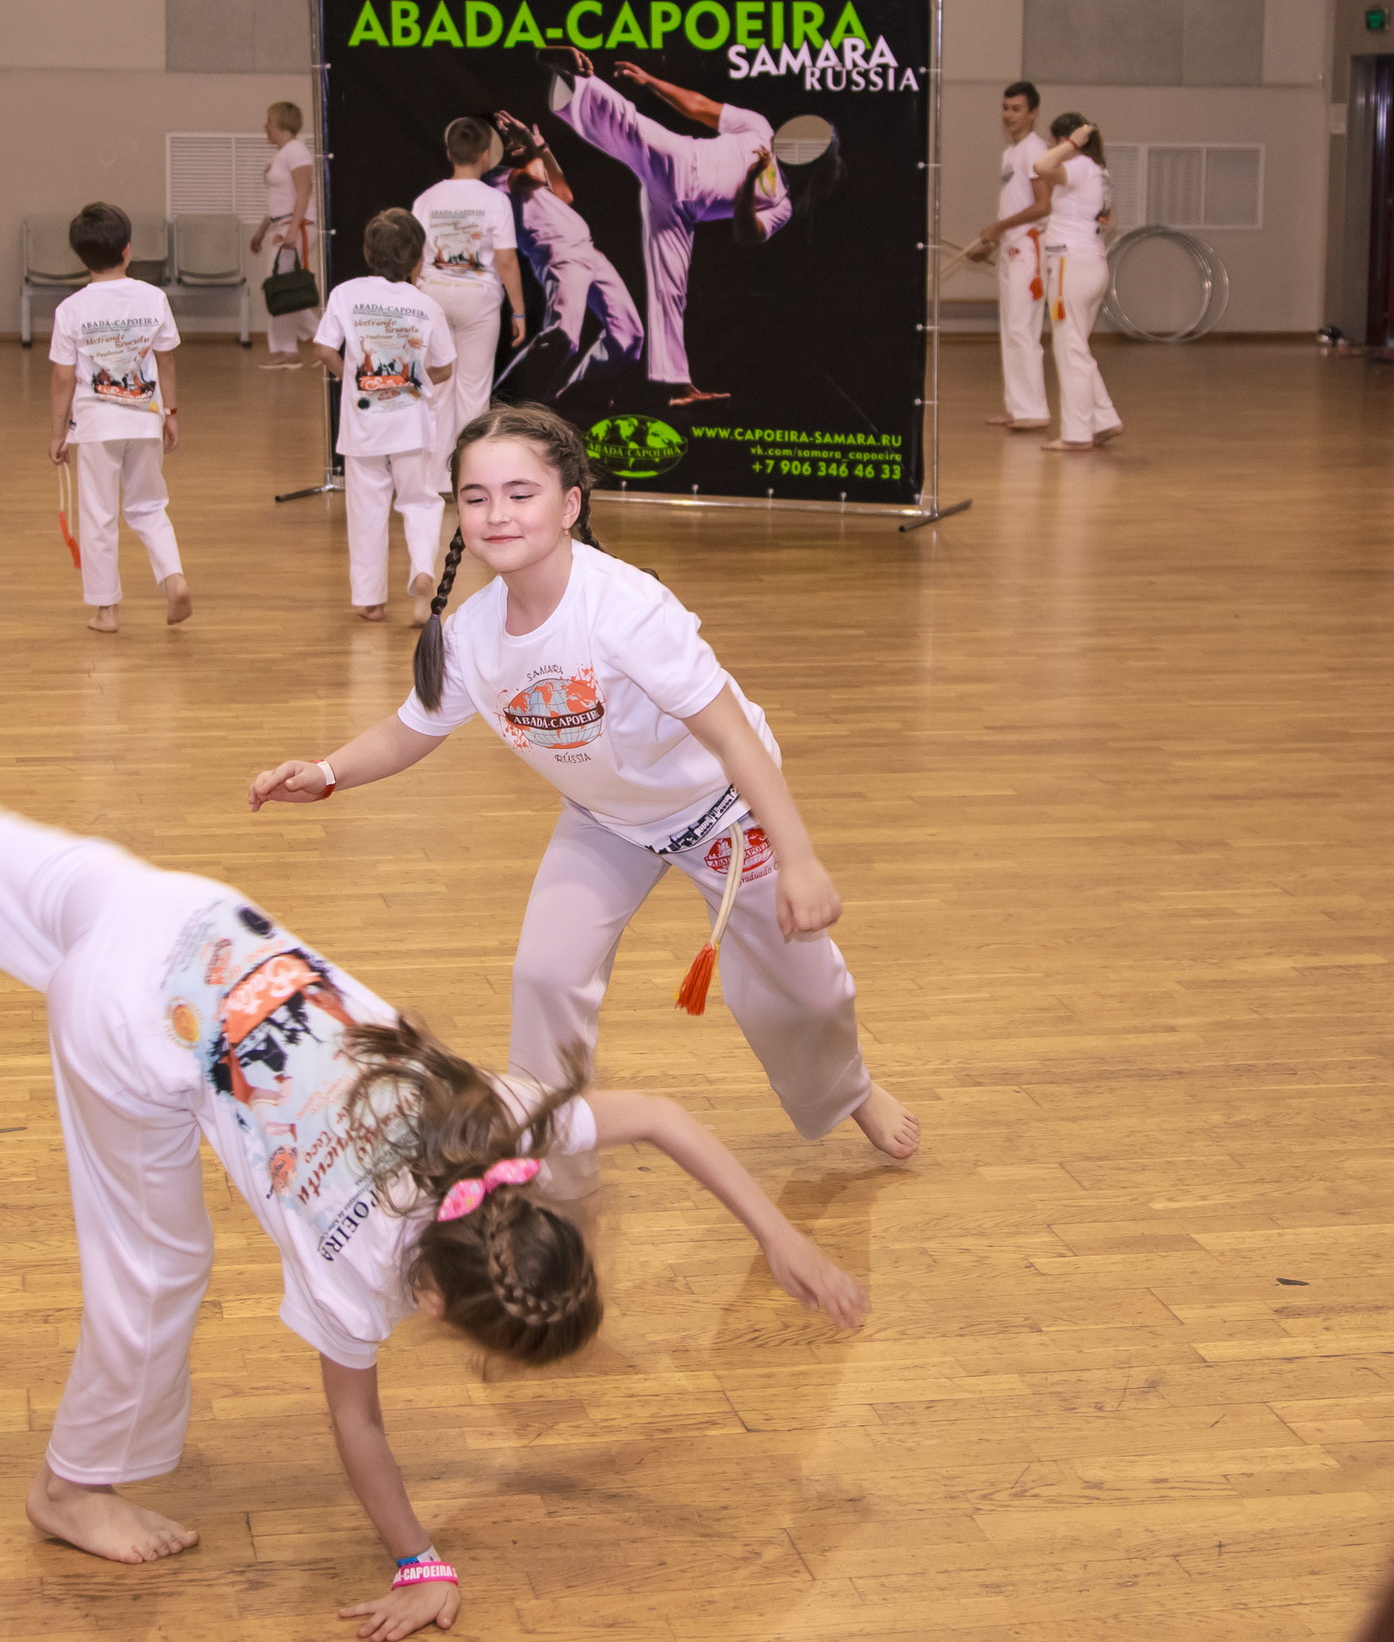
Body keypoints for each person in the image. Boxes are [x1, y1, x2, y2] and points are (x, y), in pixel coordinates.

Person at [0, 623, 869, 1641]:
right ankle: (70, 1484)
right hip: (134, 1018)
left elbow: (666, 1118)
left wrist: (777, 1239)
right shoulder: (365, 1273)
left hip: (185, 911)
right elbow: (357, 1430)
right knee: (159, 1269)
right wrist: (421, 1558)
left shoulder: (491, 1124)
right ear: (433, 1301)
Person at [249, 405, 922, 1163]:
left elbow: (733, 735)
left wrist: (799, 859)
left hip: (724, 811)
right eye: (475, 497)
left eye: (520, 492)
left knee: (805, 994)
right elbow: (413, 728)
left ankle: (850, 1089)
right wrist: (329, 773)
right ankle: (548, 1140)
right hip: (608, 820)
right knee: (545, 974)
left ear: (569, 505)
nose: (497, 513)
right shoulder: (471, 632)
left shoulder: (626, 610)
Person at [548, 47, 830, 406]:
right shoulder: (760, 127)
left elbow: (746, 233)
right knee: (629, 126)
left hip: (679, 214)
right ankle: (576, 77)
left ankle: (676, 387)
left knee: (670, 294)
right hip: (681, 162)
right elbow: (699, 106)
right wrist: (651, 82)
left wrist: (750, 183)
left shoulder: (782, 204)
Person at [47, 203, 193, 635]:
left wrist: (57, 434)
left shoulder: (71, 309)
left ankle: (106, 611)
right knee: (149, 505)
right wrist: (170, 413)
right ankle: (174, 578)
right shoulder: (154, 298)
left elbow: (62, 379)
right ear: (127, 251)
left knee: (99, 515)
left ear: (80, 256)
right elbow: (166, 361)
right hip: (145, 419)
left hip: (95, 427)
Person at [311, 210, 455, 623]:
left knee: (366, 507)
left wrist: (354, 379)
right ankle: (423, 573)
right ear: (417, 260)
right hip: (411, 423)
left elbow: (323, 350)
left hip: (362, 426)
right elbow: (445, 367)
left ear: (367, 253)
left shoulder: (345, 294)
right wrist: (415, 379)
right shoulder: (426, 306)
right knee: (421, 502)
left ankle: (370, 600)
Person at [490, 113, 641, 398]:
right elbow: (534, 176)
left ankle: (570, 399)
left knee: (628, 337)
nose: (512, 143)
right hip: (559, 255)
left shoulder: (530, 180)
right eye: (506, 139)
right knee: (562, 336)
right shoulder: (495, 178)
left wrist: (542, 147)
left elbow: (564, 194)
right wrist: (528, 144)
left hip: (589, 252)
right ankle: (501, 405)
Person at [411, 117, 525, 460]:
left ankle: (435, 477)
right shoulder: (495, 201)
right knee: (473, 391)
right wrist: (518, 310)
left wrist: (413, 296)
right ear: (486, 156)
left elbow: (415, 256)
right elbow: (506, 261)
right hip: (479, 300)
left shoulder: (426, 199)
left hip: (432, 296)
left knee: (437, 387)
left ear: (449, 152)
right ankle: (468, 476)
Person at [961, 82, 1051, 431]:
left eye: (1016, 109)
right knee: (1009, 330)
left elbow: (1043, 206)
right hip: (1011, 249)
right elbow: (1016, 205)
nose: (1009, 115)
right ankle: (1018, 407)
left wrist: (998, 227)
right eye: (1005, 108)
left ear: (1033, 113)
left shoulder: (1036, 150)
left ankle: (1034, 410)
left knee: (1022, 328)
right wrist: (992, 244)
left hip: (1030, 249)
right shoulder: (1010, 153)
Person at [1033, 115, 1123, 453]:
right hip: (1090, 264)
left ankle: (1076, 434)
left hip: (1071, 266)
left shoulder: (1082, 165)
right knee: (1075, 348)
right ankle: (1104, 419)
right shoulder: (1101, 174)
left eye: (1055, 140)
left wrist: (1073, 142)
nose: (1053, 148)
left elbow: (1041, 166)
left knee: (1070, 351)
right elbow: (1111, 223)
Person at [250, 102, 318, 370]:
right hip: (284, 226)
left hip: (296, 228)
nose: (265, 127)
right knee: (280, 288)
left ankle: (327, 337)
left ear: (280, 124)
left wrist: (292, 231)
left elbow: (303, 193)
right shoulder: (283, 154)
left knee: (282, 289)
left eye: (269, 121)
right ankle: (286, 351)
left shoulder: (297, 152)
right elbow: (280, 201)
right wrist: (262, 230)